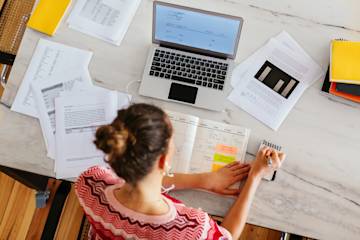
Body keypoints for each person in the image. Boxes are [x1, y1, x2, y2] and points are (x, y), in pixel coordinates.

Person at [75, 103, 285, 240]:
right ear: (165, 161)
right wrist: (255, 175)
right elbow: (227, 235)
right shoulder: (191, 229)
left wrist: (203, 180)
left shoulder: (89, 183)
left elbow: (140, 181)